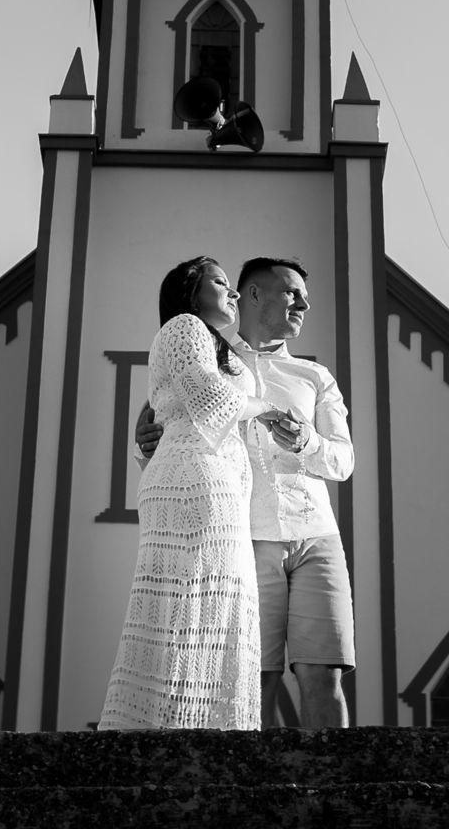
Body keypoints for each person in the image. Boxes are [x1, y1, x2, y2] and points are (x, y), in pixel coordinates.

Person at [137, 257, 356, 729]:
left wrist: (307, 441)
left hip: (317, 536)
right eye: (292, 293)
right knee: (253, 677)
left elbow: (343, 462)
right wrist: (142, 445)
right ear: (254, 294)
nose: (304, 304)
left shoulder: (314, 377)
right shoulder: (207, 355)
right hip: (246, 538)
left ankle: (330, 774)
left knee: (325, 674)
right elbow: (165, 428)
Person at [98, 256, 270, 730]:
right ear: (192, 291)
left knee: (209, 600)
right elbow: (210, 397)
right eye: (220, 282)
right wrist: (265, 408)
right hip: (195, 480)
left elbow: (171, 405)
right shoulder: (183, 326)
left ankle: (199, 722)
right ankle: (171, 724)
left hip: (215, 479)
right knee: (190, 601)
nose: (233, 293)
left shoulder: (212, 343)